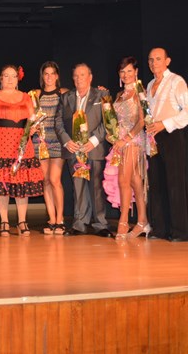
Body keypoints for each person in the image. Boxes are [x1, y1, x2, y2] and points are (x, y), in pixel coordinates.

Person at [0, 65, 44, 237]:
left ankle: (22, 221)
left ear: (18, 79)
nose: (10, 79)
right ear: (0, 78)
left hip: (21, 144)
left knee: (21, 182)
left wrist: (33, 128)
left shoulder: (25, 97)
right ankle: (4, 221)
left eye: (13, 76)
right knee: (2, 182)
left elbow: (32, 120)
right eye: (6, 76)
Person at [54, 63, 112, 237]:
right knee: (78, 188)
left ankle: (100, 224)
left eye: (83, 75)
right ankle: (79, 224)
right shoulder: (66, 97)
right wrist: (67, 142)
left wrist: (93, 141)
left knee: (96, 187)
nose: (79, 79)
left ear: (90, 77)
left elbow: (107, 121)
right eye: (76, 76)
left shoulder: (103, 94)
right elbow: (58, 122)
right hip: (74, 149)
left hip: (94, 149)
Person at [103, 57, 150, 240]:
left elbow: (142, 120)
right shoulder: (119, 95)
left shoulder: (140, 92)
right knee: (135, 182)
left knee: (124, 180)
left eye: (129, 71)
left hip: (134, 141)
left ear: (136, 72)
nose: (126, 75)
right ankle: (142, 221)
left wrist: (127, 138)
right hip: (120, 143)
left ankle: (123, 220)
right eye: (123, 72)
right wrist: (111, 135)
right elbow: (115, 122)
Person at [145, 47, 188, 242]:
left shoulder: (176, 81)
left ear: (167, 61)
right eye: (151, 60)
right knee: (156, 184)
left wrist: (165, 124)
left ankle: (180, 231)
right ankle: (160, 229)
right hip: (154, 138)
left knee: (175, 184)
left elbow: (186, 112)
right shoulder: (150, 84)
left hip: (171, 135)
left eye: (158, 59)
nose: (154, 63)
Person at [31, 62, 68, 235]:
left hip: (58, 140)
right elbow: (30, 118)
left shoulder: (64, 93)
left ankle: (60, 219)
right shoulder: (35, 95)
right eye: (46, 73)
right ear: (42, 76)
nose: (49, 77)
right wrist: (30, 128)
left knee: (55, 180)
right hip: (41, 142)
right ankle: (51, 219)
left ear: (57, 76)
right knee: (45, 180)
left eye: (52, 73)